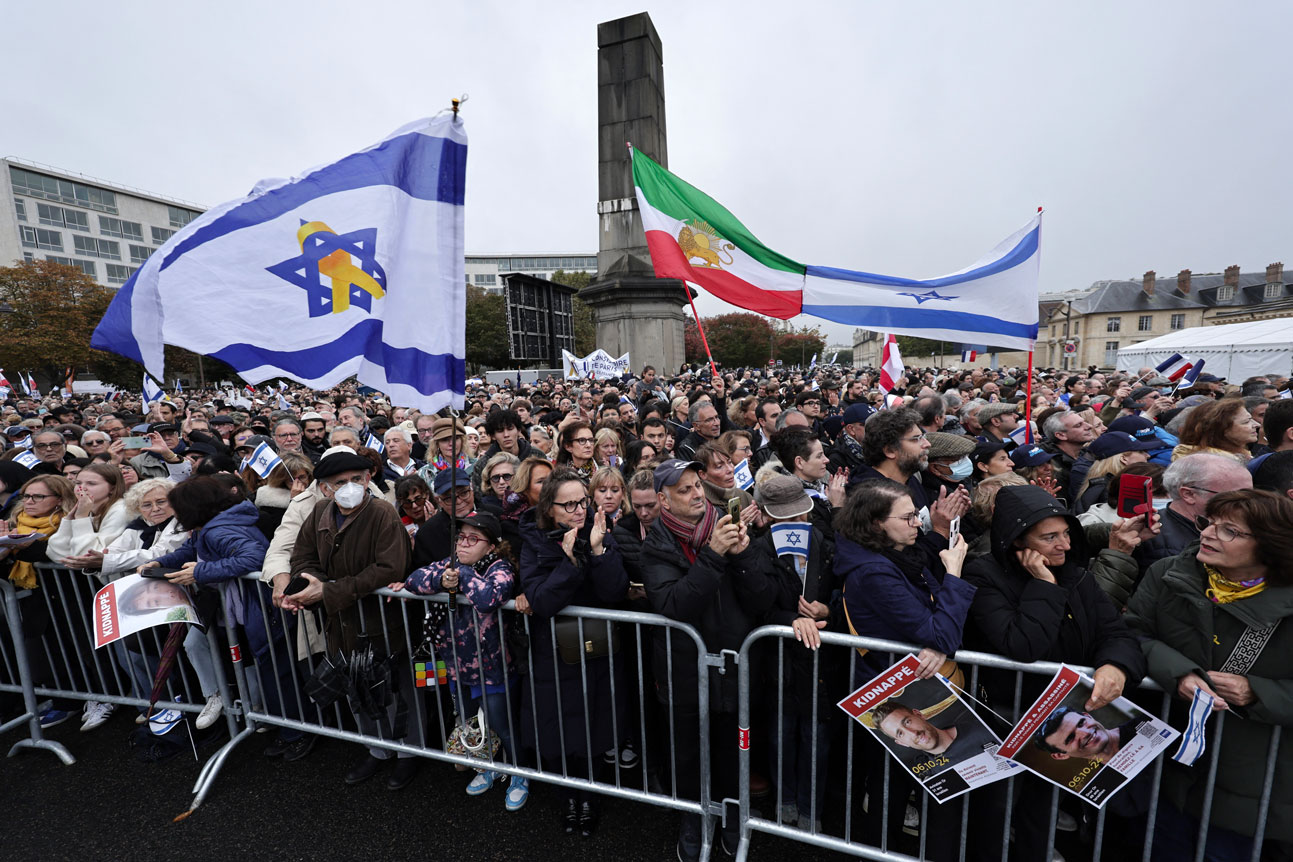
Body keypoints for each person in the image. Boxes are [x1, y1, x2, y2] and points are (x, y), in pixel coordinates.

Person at [963, 484, 1147, 862]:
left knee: (1041, 808)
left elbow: (1115, 632)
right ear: (1017, 541)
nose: (1063, 544)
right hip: (1005, 716)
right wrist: (1043, 585)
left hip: (1062, 716)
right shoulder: (983, 575)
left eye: (1065, 533)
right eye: (1049, 537)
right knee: (994, 813)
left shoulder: (1076, 574)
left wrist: (1115, 664)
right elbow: (1022, 645)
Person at [1126, 489, 1293, 861]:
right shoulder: (1169, 574)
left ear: (1270, 545)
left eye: (1229, 531)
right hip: (1167, 773)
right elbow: (1131, 633)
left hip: (1254, 781)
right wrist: (1179, 674)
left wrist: (1257, 692)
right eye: (1209, 523)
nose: (1208, 533)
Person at [639, 459, 776, 860]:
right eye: (684, 490)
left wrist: (744, 553)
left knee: (735, 753)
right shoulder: (657, 544)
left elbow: (763, 598)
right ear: (663, 500)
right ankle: (695, 818)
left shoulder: (729, 524)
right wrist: (715, 556)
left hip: (736, 668)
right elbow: (674, 604)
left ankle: (734, 817)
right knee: (687, 754)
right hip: (684, 672)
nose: (697, 494)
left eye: (697, 485)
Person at [282, 448, 418, 787]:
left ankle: (407, 755)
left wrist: (327, 591)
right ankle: (377, 751)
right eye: (340, 482)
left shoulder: (383, 514)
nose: (350, 487)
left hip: (383, 625)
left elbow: (389, 569)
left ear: (369, 479)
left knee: (396, 695)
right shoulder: (319, 514)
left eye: (357, 479)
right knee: (357, 691)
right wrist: (308, 582)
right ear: (326, 488)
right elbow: (302, 557)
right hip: (341, 624)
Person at [518, 467, 628, 837]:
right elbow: (543, 600)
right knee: (558, 731)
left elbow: (615, 592)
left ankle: (591, 797)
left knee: (594, 728)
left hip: (595, 652)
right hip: (552, 654)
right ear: (549, 508)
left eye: (582, 501)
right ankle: (568, 796)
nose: (579, 510)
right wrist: (569, 564)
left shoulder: (601, 531)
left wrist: (597, 549)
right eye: (568, 505)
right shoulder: (533, 541)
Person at [396, 512, 529, 811]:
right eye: (461, 538)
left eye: (473, 539)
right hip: (457, 665)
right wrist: (442, 580)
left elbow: (489, 597)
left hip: (492, 667)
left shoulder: (500, 567)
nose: (463, 544)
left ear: (491, 546)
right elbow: (414, 580)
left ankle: (520, 775)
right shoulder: (450, 565)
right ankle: (487, 766)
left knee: (502, 724)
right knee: (471, 722)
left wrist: (464, 576)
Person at [753, 473, 838, 831]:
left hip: (818, 660)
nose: (793, 523)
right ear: (768, 516)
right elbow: (755, 604)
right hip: (779, 661)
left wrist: (827, 610)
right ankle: (785, 803)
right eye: (783, 517)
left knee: (816, 739)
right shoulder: (758, 549)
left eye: (797, 515)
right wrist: (790, 620)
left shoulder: (822, 540)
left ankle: (811, 810)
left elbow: (842, 589)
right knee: (781, 735)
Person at [1, 474, 76, 728]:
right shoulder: (14, 523)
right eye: (26, 496)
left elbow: (58, 553)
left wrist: (22, 548)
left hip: (69, 601)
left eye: (38, 496)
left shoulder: (68, 523)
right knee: (46, 658)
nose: (29, 502)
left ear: (58, 500)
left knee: (77, 653)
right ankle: (64, 700)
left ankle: (91, 700)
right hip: (34, 605)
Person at [1031, 705, 1134, 763]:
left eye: (1081, 723)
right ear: (1060, 755)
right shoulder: (1096, 788)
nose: (1085, 733)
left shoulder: (1140, 726)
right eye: (1070, 738)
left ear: (1088, 716)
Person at [1172, 398, 1260, 464]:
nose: (1257, 425)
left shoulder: (1237, 456)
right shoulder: (1216, 465)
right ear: (1221, 429)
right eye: (1246, 421)